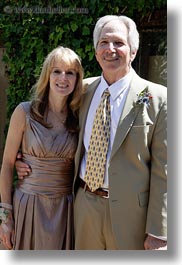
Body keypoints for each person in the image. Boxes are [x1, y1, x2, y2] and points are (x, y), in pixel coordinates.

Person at [15, 15, 167, 250]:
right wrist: (25, 159)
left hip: (132, 216)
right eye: (104, 43)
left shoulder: (159, 98)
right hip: (83, 207)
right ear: (96, 52)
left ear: (133, 51)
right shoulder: (82, 91)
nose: (110, 49)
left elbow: (164, 171)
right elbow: (53, 128)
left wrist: (159, 230)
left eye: (118, 43)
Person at [0, 46, 83, 250]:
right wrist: (5, 218)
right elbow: (7, 165)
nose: (63, 78)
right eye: (57, 71)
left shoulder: (80, 116)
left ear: (77, 79)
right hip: (27, 205)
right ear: (47, 75)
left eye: (70, 72)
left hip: (65, 208)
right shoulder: (24, 112)